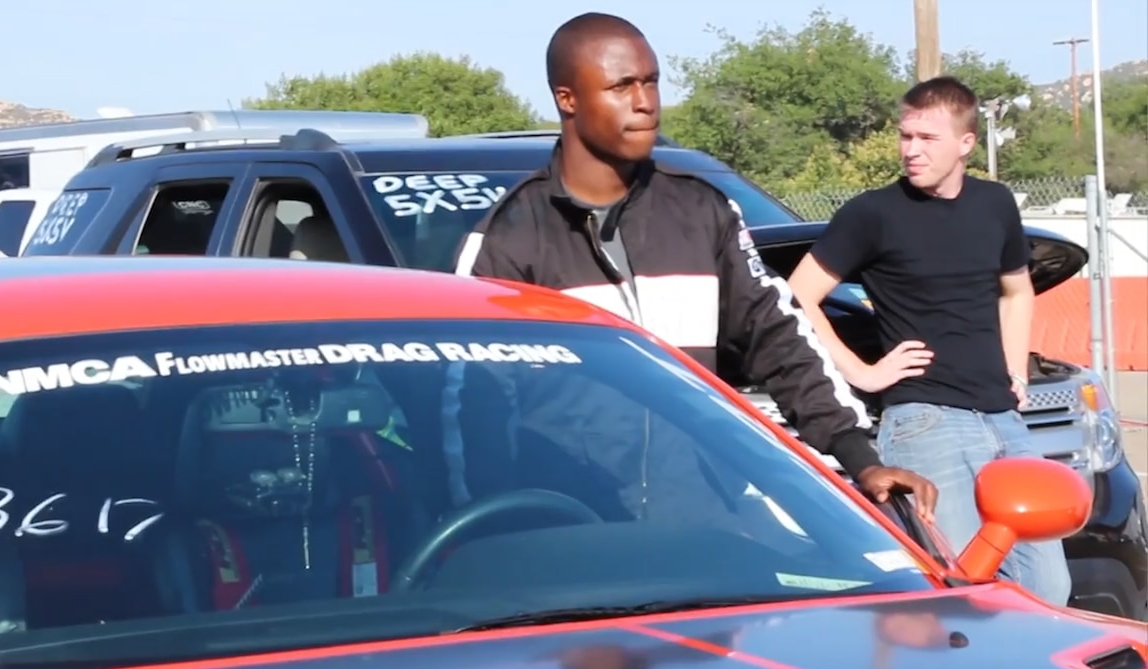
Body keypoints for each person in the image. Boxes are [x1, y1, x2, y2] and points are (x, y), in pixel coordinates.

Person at [449, 12, 936, 518]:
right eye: (621, 86)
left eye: (651, 81)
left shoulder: (703, 212)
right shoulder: (506, 241)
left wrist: (860, 457)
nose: (645, 102)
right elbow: (470, 412)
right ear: (567, 99)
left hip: (703, 526)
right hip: (572, 536)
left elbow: (780, 340)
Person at [785, 76, 1071, 606]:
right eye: (905, 136)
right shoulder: (872, 213)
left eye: (927, 138)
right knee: (962, 589)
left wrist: (1014, 371)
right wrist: (859, 371)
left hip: (1003, 420)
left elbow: (1016, 290)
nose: (911, 150)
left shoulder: (994, 203)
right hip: (925, 422)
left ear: (966, 143)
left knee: (1049, 588)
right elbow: (796, 296)